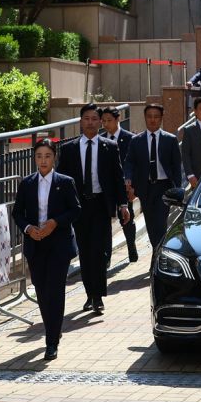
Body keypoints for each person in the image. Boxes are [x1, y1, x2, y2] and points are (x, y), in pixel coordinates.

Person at [57, 104, 130, 315]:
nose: (90, 122)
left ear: (100, 122)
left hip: (101, 204)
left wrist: (123, 204)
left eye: (94, 119)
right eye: (86, 119)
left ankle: (98, 296)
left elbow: (117, 178)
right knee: (85, 252)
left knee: (99, 251)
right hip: (79, 207)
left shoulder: (109, 146)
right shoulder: (69, 149)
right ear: (81, 122)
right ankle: (90, 293)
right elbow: (62, 180)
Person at [12, 139, 81, 361]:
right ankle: (53, 326)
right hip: (36, 243)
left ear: (54, 158)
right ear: (34, 158)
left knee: (55, 290)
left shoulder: (65, 182)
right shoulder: (27, 183)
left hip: (59, 244)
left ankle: (51, 341)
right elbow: (17, 213)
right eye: (39, 156)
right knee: (41, 291)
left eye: (47, 156)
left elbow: (75, 209)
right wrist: (29, 228)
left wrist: (55, 222)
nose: (43, 160)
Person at [123, 104, 182, 251]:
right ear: (145, 118)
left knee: (161, 222)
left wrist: (178, 189)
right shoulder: (136, 141)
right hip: (145, 187)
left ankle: (158, 255)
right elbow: (129, 162)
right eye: (149, 116)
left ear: (161, 119)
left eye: (156, 117)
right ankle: (158, 252)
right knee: (150, 224)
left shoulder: (170, 139)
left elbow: (176, 166)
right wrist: (128, 178)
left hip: (164, 187)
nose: (152, 120)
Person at [100, 107, 138, 263]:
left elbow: (135, 163)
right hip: (106, 188)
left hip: (124, 186)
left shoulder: (129, 138)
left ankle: (131, 247)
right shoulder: (100, 139)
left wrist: (133, 186)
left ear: (118, 119)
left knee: (127, 219)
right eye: (103, 121)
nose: (106, 124)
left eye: (109, 120)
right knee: (105, 222)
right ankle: (106, 256)